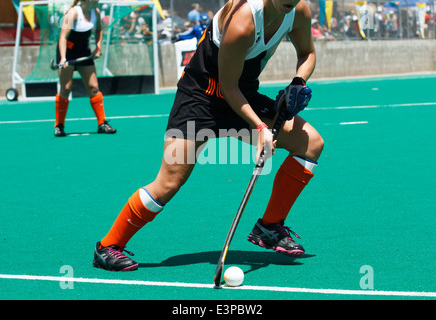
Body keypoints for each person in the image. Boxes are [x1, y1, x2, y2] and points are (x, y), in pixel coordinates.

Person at [93, 0, 324, 272]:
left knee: (310, 143)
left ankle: (269, 227)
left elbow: (307, 52)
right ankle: (108, 246)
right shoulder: (243, 21)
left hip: (242, 96)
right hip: (200, 100)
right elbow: (227, 87)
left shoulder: (298, 11)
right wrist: (261, 130)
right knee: (169, 182)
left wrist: (298, 81)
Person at [55, 0, 116, 137]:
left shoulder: (96, 12)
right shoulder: (73, 13)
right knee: (65, 88)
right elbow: (63, 37)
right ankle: (59, 125)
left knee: (93, 88)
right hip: (67, 53)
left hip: (84, 53)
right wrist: (63, 58)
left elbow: (99, 30)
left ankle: (102, 123)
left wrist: (98, 48)